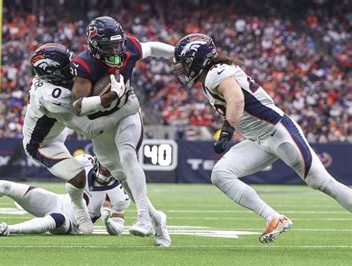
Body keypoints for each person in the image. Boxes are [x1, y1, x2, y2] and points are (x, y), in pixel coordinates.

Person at [172, 33, 352, 243]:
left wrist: (227, 131)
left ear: (198, 59)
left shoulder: (216, 73)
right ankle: (274, 218)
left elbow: (236, 100)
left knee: (321, 182)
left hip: (278, 131)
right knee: (221, 174)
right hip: (259, 139)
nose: (182, 69)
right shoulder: (211, 75)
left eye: (185, 63)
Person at [70, 16, 174, 246]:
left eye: (118, 43)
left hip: (127, 111)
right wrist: (106, 97)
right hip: (101, 124)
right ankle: (158, 221)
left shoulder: (128, 47)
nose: (117, 50)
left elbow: (151, 48)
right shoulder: (85, 63)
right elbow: (78, 106)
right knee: (122, 177)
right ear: (95, 46)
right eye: (110, 46)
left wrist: (177, 53)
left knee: (128, 155)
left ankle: (144, 218)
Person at [22, 43, 140, 234]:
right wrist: (123, 105)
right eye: (65, 68)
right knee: (78, 176)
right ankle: (80, 211)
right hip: (42, 144)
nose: (71, 69)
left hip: (59, 130)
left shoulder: (56, 79)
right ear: (52, 74)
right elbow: (91, 129)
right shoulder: (52, 96)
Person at [0, 154, 130, 236]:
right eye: (105, 163)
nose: (106, 169)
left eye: (111, 166)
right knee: (5, 186)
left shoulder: (119, 194)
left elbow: (118, 230)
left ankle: (10, 230)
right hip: (58, 200)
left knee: (57, 218)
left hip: (72, 224)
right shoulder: (86, 162)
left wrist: (107, 221)